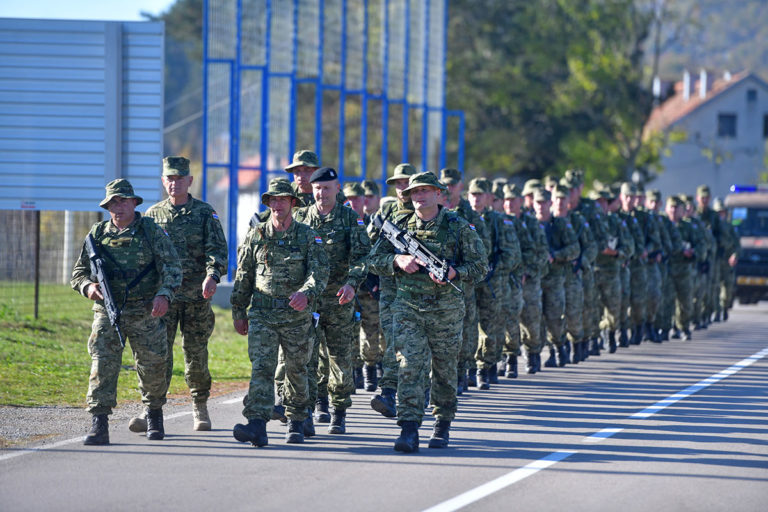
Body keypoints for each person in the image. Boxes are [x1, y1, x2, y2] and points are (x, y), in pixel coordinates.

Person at [368, 172, 488, 452]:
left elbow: (481, 266)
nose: (419, 196)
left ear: (439, 194)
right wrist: (397, 259)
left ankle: (442, 424)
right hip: (408, 308)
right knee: (409, 367)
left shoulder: (458, 226)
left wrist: (454, 272)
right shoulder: (398, 224)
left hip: (445, 312)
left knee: (444, 371)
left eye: (425, 191)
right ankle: (409, 429)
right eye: (414, 192)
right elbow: (373, 260)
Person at [71, 179, 182, 445]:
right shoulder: (97, 234)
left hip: (146, 310)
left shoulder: (150, 232)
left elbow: (172, 267)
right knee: (102, 365)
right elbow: (78, 273)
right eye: (112, 203)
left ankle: (154, 416)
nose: (117, 207)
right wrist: (88, 287)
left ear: (134, 202)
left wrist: (164, 294)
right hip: (108, 312)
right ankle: (99, 423)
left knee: (153, 366)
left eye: (122, 201)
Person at [127, 157, 228, 433]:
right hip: (163, 300)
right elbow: (142, 256)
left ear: (189, 181)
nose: (174, 183)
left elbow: (217, 250)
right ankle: (151, 408)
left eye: (179, 178)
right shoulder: (152, 215)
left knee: (195, 355)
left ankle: (200, 406)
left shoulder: (205, 213)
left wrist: (213, 275)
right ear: (163, 181)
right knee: (157, 355)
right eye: (169, 178)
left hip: (197, 297)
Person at [230, 178, 329, 446]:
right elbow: (244, 275)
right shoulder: (256, 234)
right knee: (262, 368)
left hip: (296, 316)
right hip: (262, 314)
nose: (277, 204)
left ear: (292, 203)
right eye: (273, 200)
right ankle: (257, 425)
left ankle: (296, 421)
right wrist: (238, 310)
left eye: (283, 199)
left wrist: (306, 294)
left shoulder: (307, 236)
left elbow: (319, 272)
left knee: (296, 369)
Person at [293, 167, 371, 435]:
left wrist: (352, 283)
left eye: (327, 188)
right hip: (308, 301)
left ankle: (339, 411)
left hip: (339, 299)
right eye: (317, 189)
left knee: (340, 357)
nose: (321, 194)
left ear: (337, 189)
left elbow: (363, 256)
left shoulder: (350, 219)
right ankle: (313, 407)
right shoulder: (301, 218)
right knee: (306, 357)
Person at [369, 163, 419, 418]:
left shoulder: (426, 212)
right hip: (391, 288)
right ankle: (389, 391)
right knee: (392, 340)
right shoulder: (385, 211)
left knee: (415, 345)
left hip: (420, 290)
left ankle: (417, 390)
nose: (402, 188)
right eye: (398, 183)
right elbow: (371, 246)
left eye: (406, 182)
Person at [441, 167, 489, 392]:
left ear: (460, 186)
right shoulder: (436, 212)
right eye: (445, 184)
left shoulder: (470, 215)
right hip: (437, 283)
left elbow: (483, 250)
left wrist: (461, 269)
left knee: (466, 327)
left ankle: (462, 371)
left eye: (453, 184)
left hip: (463, 282)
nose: (449, 188)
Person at [535, 188, 579, 367]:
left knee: (554, 317)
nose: (541, 206)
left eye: (545, 202)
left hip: (555, 279)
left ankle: (560, 347)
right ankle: (542, 353)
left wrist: (557, 255)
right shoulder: (529, 224)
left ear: (550, 204)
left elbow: (574, 249)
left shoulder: (560, 224)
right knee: (535, 318)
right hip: (535, 278)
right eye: (538, 202)